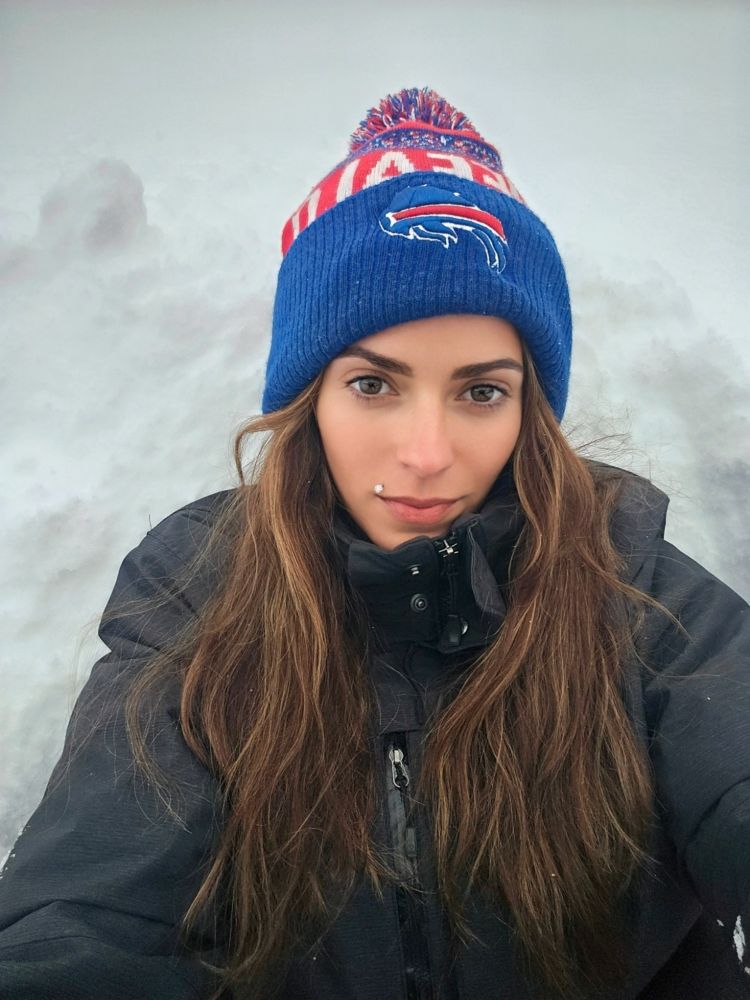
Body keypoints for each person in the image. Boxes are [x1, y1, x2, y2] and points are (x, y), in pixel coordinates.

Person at [0, 86, 747, 1000]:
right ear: (310, 391)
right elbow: (88, 910)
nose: (427, 455)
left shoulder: (636, 588)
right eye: (373, 385)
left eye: (481, 391)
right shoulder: (197, 590)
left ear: (531, 405)